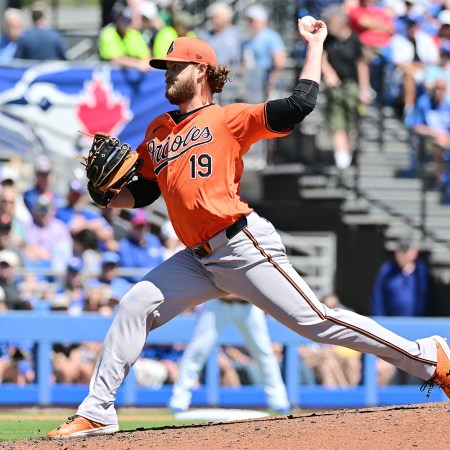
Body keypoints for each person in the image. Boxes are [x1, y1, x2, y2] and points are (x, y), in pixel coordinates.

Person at [48, 24, 450, 439]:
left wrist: (314, 45)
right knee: (135, 305)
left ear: (201, 71)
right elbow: (144, 192)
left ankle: (428, 356)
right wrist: (104, 198)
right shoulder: (157, 132)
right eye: (165, 68)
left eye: (175, 66)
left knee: (317, 322)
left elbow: (299, 104)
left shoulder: (228, 118)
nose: (167, 73)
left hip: (242, 244)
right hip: (197, 259)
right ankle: (97, 411)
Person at [168, 294, 291, 414]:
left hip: (248, 304)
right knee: (197, 350)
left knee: (264, 353)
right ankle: (179, 400)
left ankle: (278, 401)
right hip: (218, 302)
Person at [321, 4, 373, 170]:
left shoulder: (355, 40)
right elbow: (321, 57)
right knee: (336, 120)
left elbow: (362, 65)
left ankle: (346, 152)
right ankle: (341, 156)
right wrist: (329, 73)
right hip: (335, 87)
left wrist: (364, 88)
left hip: (352, 86)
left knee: (350, 121)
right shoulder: (328, 40)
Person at [371, 237, 430, 318]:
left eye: (405, 251)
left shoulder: (419, 270)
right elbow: (378, 295)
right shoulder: (388, 269)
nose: (401, 254)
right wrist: (379, 318)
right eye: (399, 251)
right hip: (389, 320)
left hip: (414, 321)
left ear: (414, 253)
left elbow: (423, 296)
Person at [98, 4, 151, 72]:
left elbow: (146, 56)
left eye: (129, 19)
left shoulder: (134, 34)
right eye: (124, 19)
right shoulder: (107, 33)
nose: (126, 23)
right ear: (116, 18)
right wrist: (137, 64)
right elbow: (114, 58)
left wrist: (143, 63)